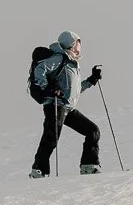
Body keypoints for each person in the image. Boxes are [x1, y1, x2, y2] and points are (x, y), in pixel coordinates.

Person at [28, 31, 103, 177]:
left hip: (68, 107)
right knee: (51, 138)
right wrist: (47, 87)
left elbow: (73, 90)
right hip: (55, 105)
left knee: (93, 131)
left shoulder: (73, 64)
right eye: (76, 44)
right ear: (70, 44)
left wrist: (91, 81)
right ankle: (39, 170)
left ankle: (88, 165)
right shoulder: (59, 58)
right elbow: (40, 69)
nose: (79, 48)